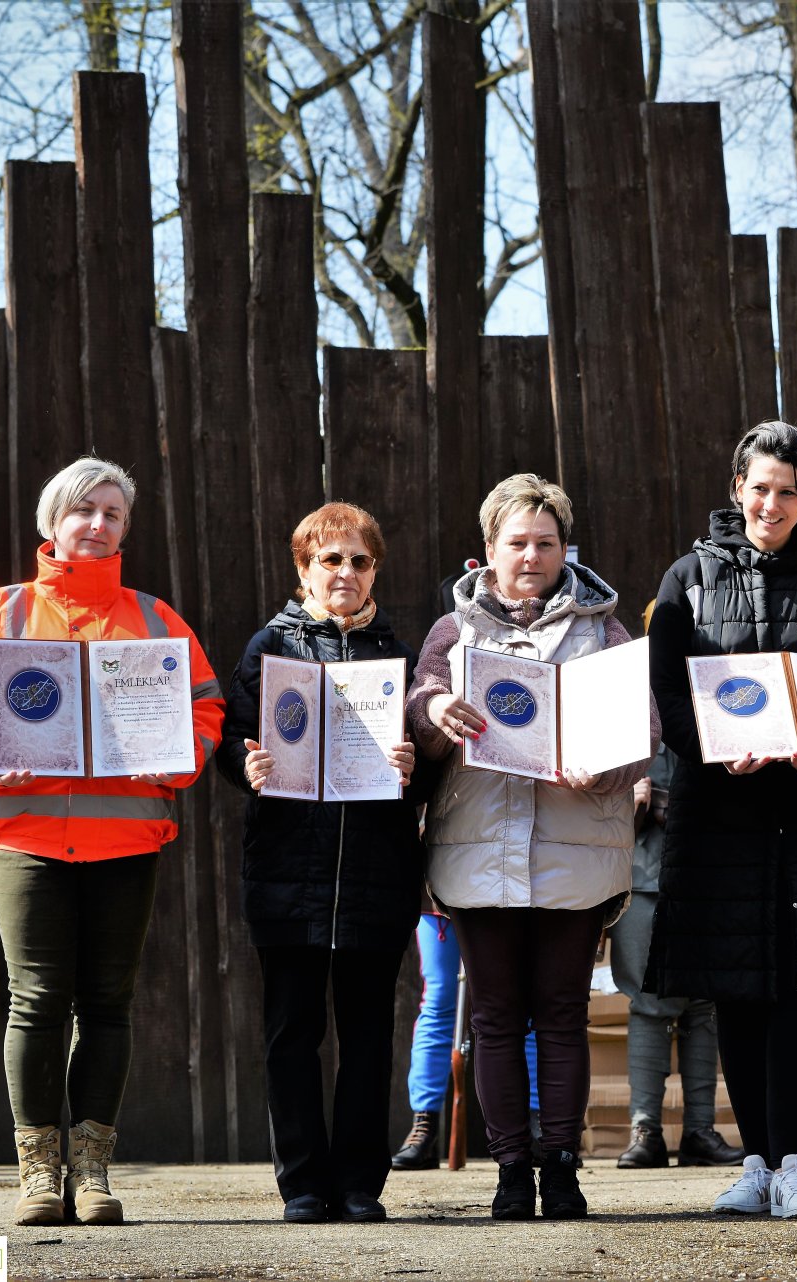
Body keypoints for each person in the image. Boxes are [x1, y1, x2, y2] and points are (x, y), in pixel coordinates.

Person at [0, 456, 223, 1227]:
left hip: (125, 840)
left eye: (112, 513)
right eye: (82, 510)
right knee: (36, 1002)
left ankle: (92, 1174)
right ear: (52, 522)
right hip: (25, 838)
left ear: (125, 529)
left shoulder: (156, 622)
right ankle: (38, 1175)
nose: (96, 524)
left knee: (108, 1005)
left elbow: (206, 710)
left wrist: (177, 752)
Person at [647, 421, 797, 1220]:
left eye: (789, 490)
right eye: (759, 486)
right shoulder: (685, 580)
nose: (772, 502)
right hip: (721, 818)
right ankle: (752, 1161)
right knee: (734, 987)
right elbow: (671, 696)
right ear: (737, 490)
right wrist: (717, 753)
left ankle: (795, 1164)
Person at [405, 474, 657, 1221]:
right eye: (516, 542)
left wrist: (605, 765)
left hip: (573, 851)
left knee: (560, 1012)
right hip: (476, 851)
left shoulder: (603, 631)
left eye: (545, 543)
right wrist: (433, 710)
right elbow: (416, 708)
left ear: (564, 549)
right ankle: (512, 1170)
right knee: (493, 1018)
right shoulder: (453, 631)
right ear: (488, 550)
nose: (530, 555)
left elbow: (642, 731)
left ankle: (564, 1165)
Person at [218, 502, 424, 1223]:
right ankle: (303, 1184)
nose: (345, 572)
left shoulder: (399, 651)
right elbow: (231, 743)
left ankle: (361, 1184)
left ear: (375, 570)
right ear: (303, 568)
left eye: (359, 560)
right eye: (330, 559)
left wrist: (412, 764)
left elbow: (427, 765)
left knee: (368, 1036)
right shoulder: (267, 647)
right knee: (291, 1034)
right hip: (288, 870)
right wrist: (246, 765)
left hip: (377, 872)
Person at [608, 600, 744, 1171]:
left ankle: (699, 1130)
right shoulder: (624, 700)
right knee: (647, 1003)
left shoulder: (722, 695)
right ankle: (645, 1130)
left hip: (709, 871)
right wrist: (630, 794)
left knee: (706, 1005)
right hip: (644, 873)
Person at [390, 909, 459, 1171]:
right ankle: (424, 1124)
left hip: (515, 899)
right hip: (438, 897)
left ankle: (534, 1122)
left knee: (522, 1006)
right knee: (439, 1001)